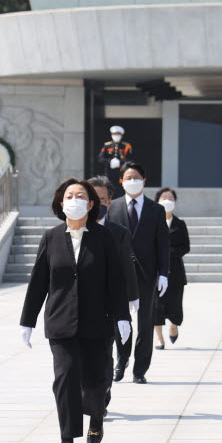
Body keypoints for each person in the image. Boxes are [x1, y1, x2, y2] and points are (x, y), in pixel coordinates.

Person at [19, 178, 130, 443]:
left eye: (81, 195)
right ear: (60, 203)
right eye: (69, 195)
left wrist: (122, 317)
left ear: (91, 204)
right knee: (65, 379)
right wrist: (27, 321)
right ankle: (66, 439)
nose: (75, 199)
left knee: (96, 379)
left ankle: (95, 416)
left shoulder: (104, 238)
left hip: (97, 321)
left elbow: (115, 280)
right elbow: (38, 282)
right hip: (61, 322)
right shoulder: (51, 237)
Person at [106, 162, 170, 384]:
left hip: (146, 274)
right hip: (119, 274)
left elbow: (163, 244)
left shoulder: (156, 210)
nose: (132, 181)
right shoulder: (112, 208)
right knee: (120, 320)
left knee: (145, 321)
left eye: (136, 177)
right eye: (128, 177)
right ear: (121, 181)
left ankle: (140, 369)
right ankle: (121, 361)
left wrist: (164, 273)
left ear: (144, 180)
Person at [87, 175, 140, 414]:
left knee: (104, 354)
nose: (98, 204)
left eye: (103, 199)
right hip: (79, 305)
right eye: (93, 199)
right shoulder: (71, 230)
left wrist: (132, 296)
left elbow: (126, 267)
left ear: (110, 200)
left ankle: (103, 390)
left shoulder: (118, 232)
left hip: (108, 305)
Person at [153, 187, 190, 348]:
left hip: (175, 272)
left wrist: (168, 253)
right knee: (156, 307)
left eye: (170, 198)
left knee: (174, 305)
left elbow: (185, 247)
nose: (167, 201)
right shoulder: (152, 222)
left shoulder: (180, 224)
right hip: (155, 272)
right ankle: (159, 338)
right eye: (164, 198)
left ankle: (173, 326)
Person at [97, 125, 133, 196]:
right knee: (109, 192)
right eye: (114, 134)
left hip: (121, 174)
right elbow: (100, 158)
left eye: (118, 134)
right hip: (109, 173)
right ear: (111, 135)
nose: (116, 136)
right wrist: (110, 161)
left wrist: (120, 162)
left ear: (121, 135)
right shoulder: (107, 145)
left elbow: (130, 160)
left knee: (120, 193)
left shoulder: (126, 146)